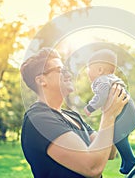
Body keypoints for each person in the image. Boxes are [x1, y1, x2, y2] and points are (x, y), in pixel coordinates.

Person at [20, 47, 129, 178]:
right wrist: (109, 115)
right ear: (41, 80)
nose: (68, 74)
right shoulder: (38, 119)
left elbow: (110, 152)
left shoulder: (73, 116)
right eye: (60, 70)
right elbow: (92, 168)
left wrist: (115, 108)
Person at [84, 49, 135, 174]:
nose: (87, 72)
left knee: (116, 136)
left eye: (89, 68)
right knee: (116, 136)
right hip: (128, 114)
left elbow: (101, 96)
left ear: (99, 70)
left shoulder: (102, 80)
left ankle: (130, 159)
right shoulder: (110, 79)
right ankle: (126, 160)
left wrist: (90, 107)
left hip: (126, 114)